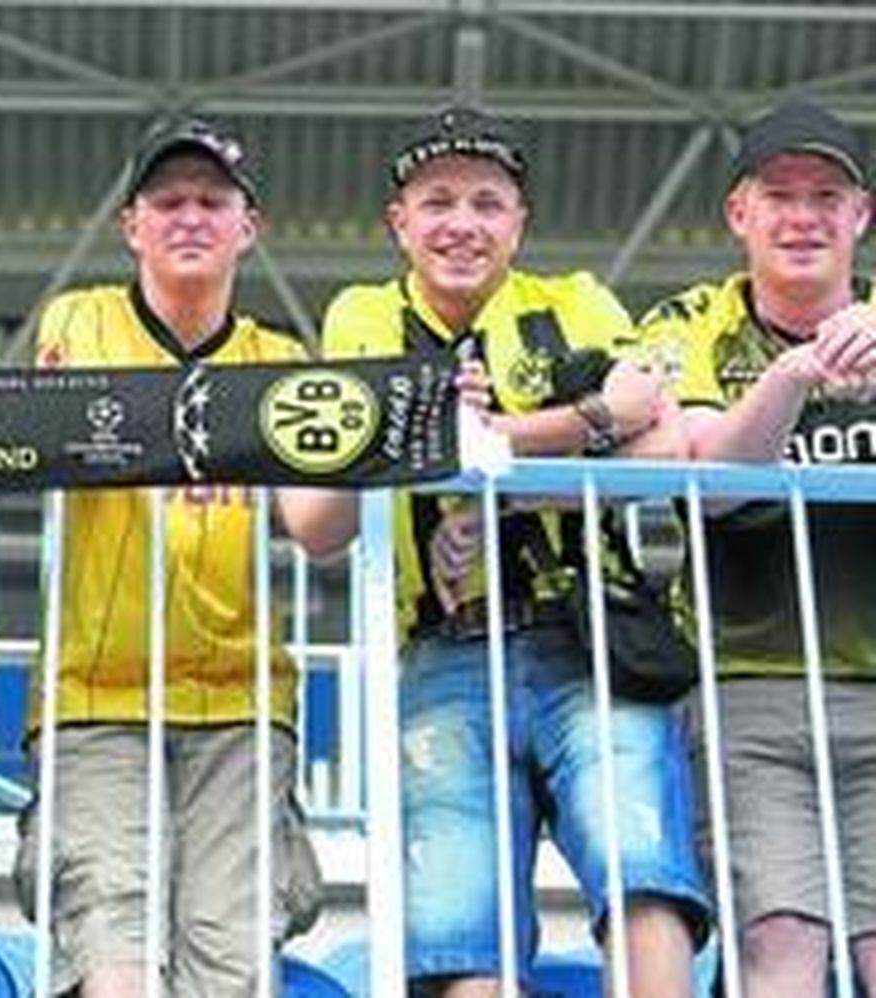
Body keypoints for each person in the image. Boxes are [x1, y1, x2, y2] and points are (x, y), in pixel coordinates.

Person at [317, 104, 709, 996]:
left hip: (594, 640)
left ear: (519, 223)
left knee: (643, 871)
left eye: (488, 204)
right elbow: (364, 448)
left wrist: (499, 459)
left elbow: (655, 436)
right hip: (443, 645)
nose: (463, 224)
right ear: (399, 223)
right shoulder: (363, 315)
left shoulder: (574, 301)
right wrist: (585, 424)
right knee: (461, 933)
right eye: (439, 201)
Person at [13, 116, 342, 998]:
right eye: (168, 201)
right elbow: (56, 432)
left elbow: (316, 528)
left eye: (212, 200)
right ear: (132, 227)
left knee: (230, 968)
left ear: (249, 226)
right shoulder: (78, 319)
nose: (189, 217)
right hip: (96, 689)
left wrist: (373, 438)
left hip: (240, 699)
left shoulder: (279, 359)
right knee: (111, 950)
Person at [640, 97, 876, 995]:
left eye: (827, 196)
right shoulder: (688, 321)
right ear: (740, 213)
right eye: (780, 194)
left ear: (862, 217)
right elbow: (712, 484)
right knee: (780, 941)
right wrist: (794, 376)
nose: (804, 215)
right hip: (746, 682)